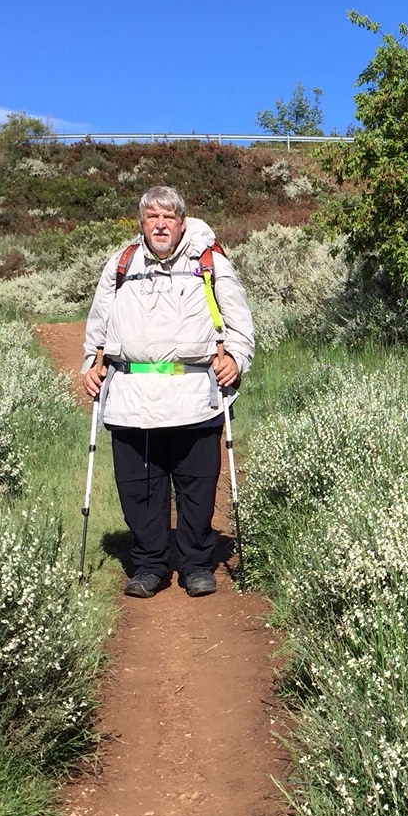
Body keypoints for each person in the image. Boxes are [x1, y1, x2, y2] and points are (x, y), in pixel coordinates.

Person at [80, 185, 255, 598]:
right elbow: (98, 322)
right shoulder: (121, 264)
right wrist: (91, 365)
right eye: (152, 216)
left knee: (196, 484)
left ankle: (196, 563)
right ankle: (149, 565)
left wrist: (235, 359)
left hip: (194, 394)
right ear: (141, 223)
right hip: (130, 397)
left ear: (181, 221)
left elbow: (240, 325)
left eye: (168, 216)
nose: (160, 224)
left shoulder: (209, 261)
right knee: (140, 488)